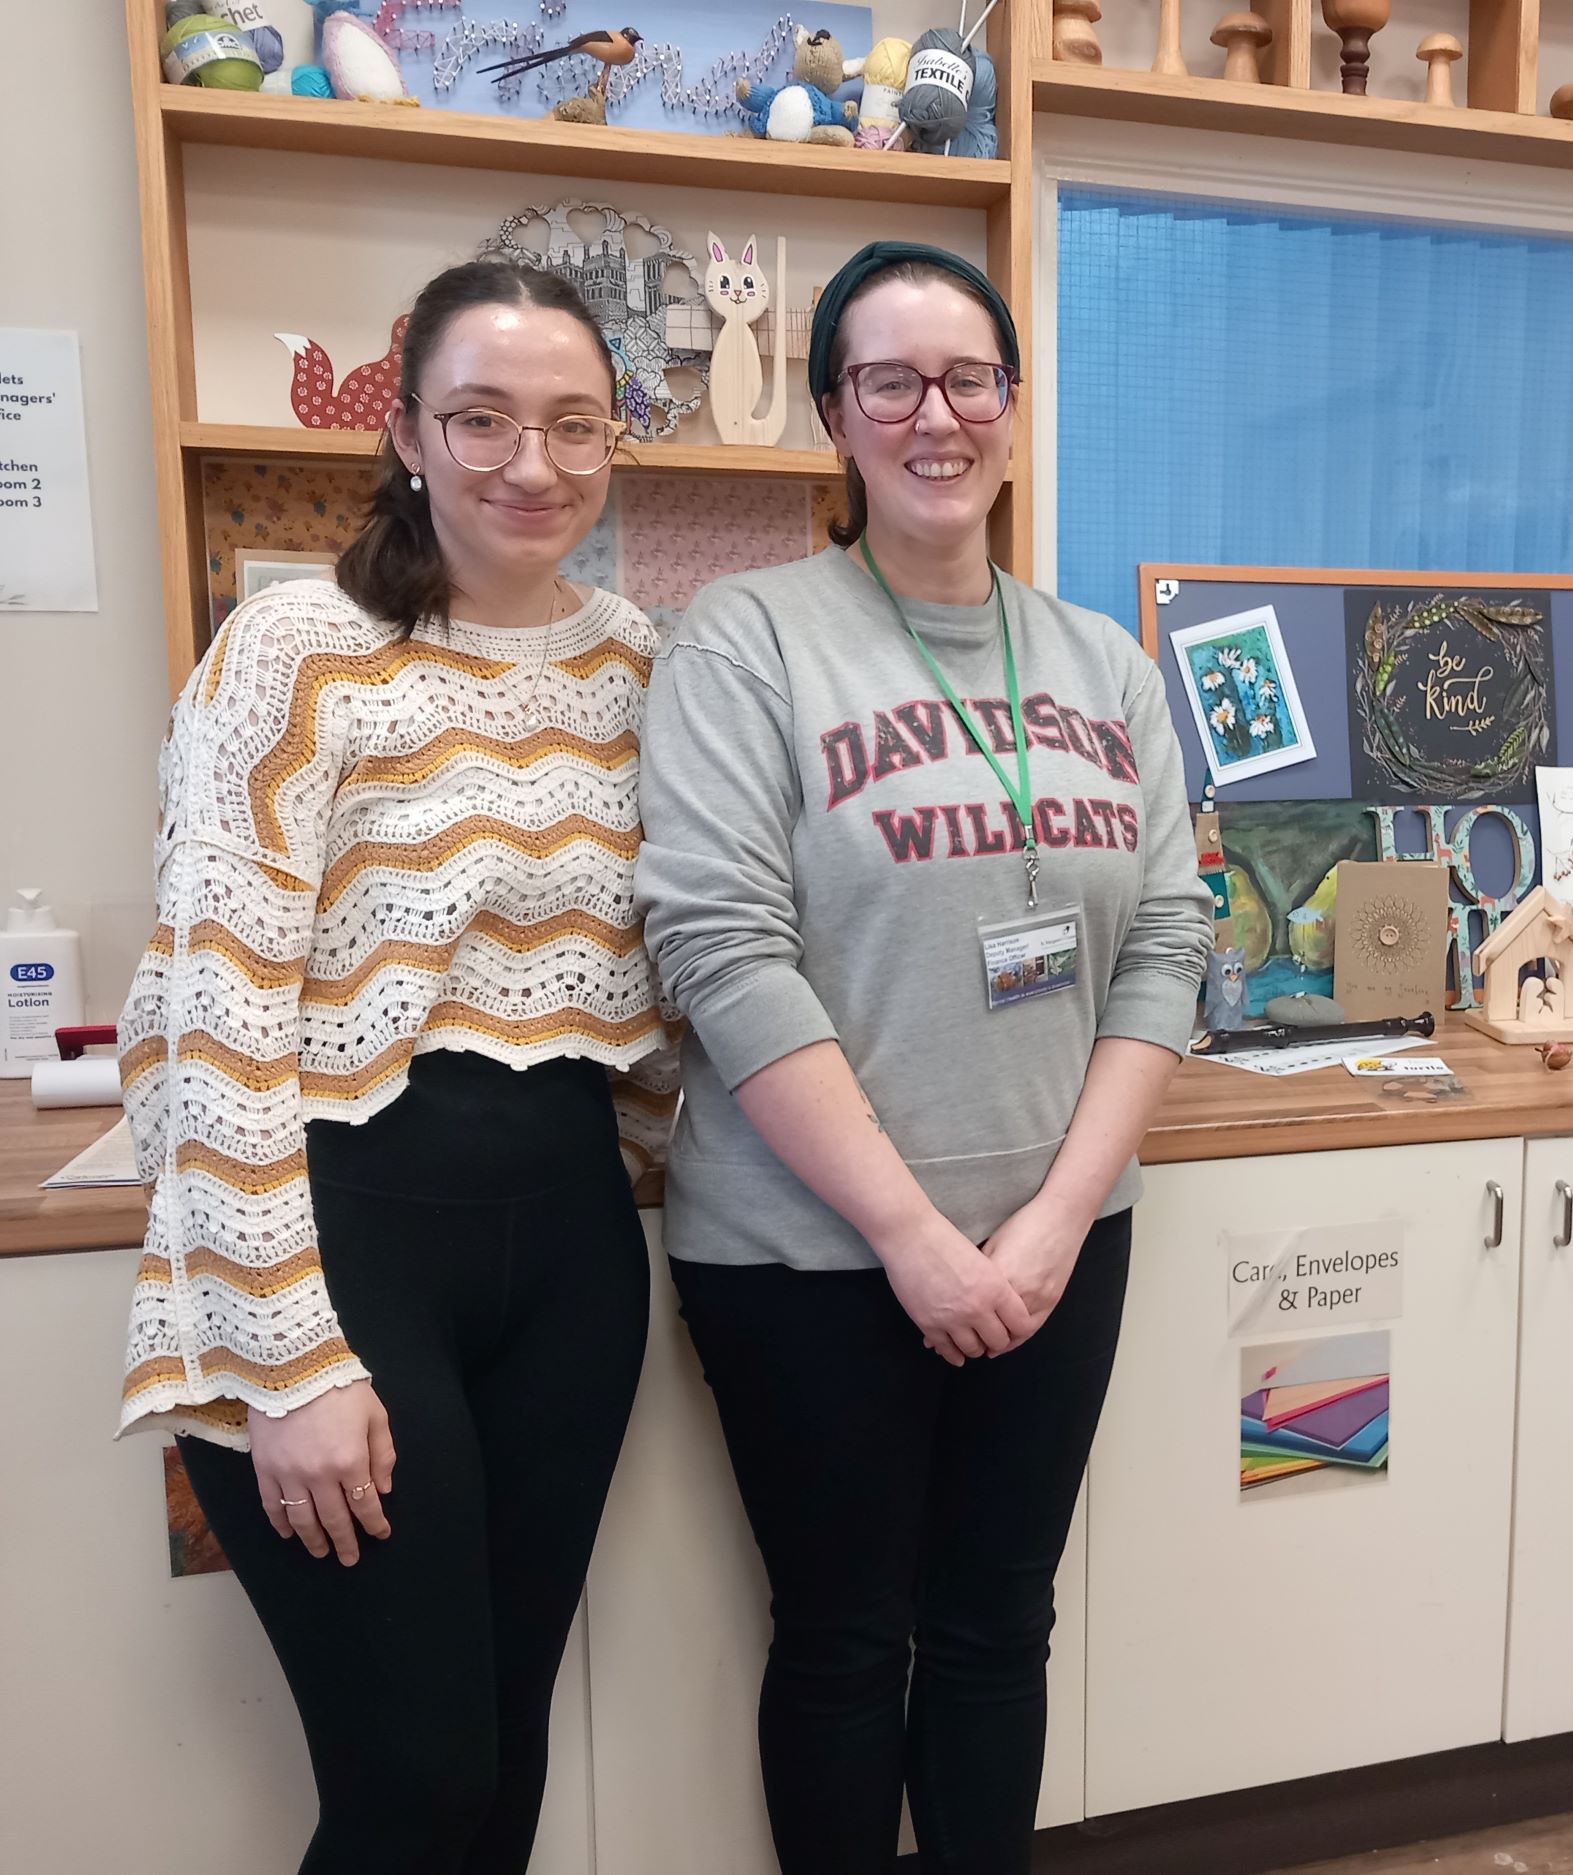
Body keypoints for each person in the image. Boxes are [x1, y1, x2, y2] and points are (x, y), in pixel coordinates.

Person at [635, 242, 1213, 1872]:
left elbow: (1166, 948)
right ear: (834, 415)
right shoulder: (746, 642)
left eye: (968, 379)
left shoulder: (1104, 662)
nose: (933, 414)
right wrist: (912, 1239)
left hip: (1056, 1249)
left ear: (1015, 413)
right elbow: (721, 952)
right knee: (840, 1642)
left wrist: (1043, 1228)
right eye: (889, 381)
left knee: (993, 1633)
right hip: (809, 1259)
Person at [116, 259, 677, 1875]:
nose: (533, 463)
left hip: (568, 1256)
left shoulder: (634, 663)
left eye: (575, 424)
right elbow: (217, 1009)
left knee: (495, 1782)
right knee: (413, 1790)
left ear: (615, 439)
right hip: (345, 1242)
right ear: (408, 430)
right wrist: (286, 1361)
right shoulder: (297, 652)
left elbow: (672, 979)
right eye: (483, 418)